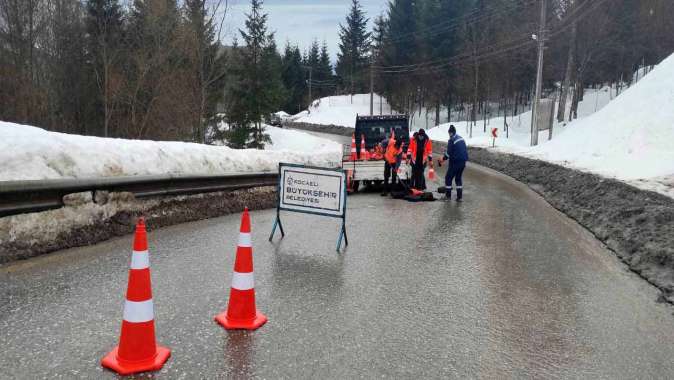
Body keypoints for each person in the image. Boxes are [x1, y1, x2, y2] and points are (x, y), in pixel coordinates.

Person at [439, 125, 468, 201]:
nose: (449, 134)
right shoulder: (461, 138)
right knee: (458, 179)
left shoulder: (451, 140)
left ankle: (448, 196)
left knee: (448, 178)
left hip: (455, 162)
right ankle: (459, 197)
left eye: (449, 133)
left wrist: (442, 159)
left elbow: (448, 154)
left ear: (450, 133)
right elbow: (460, 150)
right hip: (463, 162)